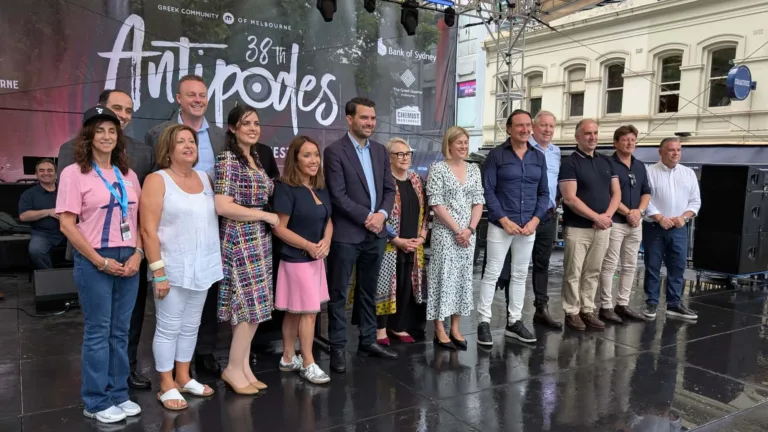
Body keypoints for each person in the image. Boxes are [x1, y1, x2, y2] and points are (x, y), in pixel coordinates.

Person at [58, 89, 155, 390]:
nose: (106, 136)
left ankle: (119, 392)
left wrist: (139, 253)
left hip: (130, 258)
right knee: (99, 331)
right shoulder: (75, 172)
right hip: (95, 257)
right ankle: (97, 398)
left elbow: (138, 218)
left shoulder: (129, 174)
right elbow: (67, 224)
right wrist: (100, 261)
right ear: (88, 136)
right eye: (99, 131)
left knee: (121, 331)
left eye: (112, 131)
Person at [140, 124, 223, 410]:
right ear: (168, 148)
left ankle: (184, 377)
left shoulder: (204, 178)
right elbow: (148, 230)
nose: (189, 145)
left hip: (203, 267)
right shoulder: (156, 180)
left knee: (191, 327)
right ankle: (166, 384)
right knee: (168, 328)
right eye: (181, 141)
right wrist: (158, 271)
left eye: (192, 141)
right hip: (172, 269)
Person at [324, 97, 398, 374]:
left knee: (368, 291)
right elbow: (338, 195)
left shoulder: (380, 151)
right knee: (339, 294)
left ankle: (368, 341)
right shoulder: (334, 151)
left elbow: (389, 190)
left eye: (373, 118)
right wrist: (368, 217)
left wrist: (382, 215)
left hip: (376, 234)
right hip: (347, 235)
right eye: (364, 118)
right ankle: (338, 349)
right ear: (349, 119)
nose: (369, 123)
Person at [214, 105, 279, 394]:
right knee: (245, 306)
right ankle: (232, 368)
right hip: (240, 238)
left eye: (256, 123)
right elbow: (223, 206)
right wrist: (263, 215)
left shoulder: (254, 158)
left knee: (256, 307)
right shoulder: (228, 159)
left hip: (260, 240)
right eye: (245, 123)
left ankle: (243, 366)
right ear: (232, 128)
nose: (253, 128)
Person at [478, 109, 549, 346]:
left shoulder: (538, 157)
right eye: (520, 125)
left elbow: (544, 193)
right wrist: (503, 219)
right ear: (508, 129)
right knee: (492, 273)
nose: (525, 129)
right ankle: (484, 322)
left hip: (528, 226)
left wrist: (535, 220)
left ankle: (514, 322)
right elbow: (487, 190)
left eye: (528, 125)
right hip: (501, 226)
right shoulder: (497, 155)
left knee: (520, 274)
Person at [272, 135, 333, 384]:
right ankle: (308, 362)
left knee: (297, 312)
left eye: (316, 155)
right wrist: (309, 246)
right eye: (306, 155)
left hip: (316, 260)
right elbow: (279, 228)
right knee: (308, 312)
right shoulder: (286, 187)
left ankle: (288, 357)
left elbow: (329, 220)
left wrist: (326, 242)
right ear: (295, 159)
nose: (313, 160)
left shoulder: (320, 187)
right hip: (296, 260)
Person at [558, 119, 620, 331]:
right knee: (573, 272)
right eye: (587, 133)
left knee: (593, 270)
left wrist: (607, 217)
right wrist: (596, 217)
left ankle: (587, 309)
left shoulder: (606, 161)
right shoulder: (570, 163)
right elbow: (570, 198)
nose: (592, 137)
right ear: (577, 137)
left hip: (602, 227)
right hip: (578, 228)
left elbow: (616, 193)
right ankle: (572, 311)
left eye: (595, 133)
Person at [426, 126, 484, 350]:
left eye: (466, 142)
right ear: (448, 144)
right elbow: (436, 204)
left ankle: (456, 327)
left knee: (462, 280)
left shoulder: (474, 169)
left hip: (468, 235)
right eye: (459, 142)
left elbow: (478, 202)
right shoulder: (438, 168)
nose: (463, 146)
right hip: (445, 235)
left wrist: (469, 229)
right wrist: (457, 230)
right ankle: (439, 328)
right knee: (443, 279)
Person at [373, 138, 428, 346]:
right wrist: (396, 239)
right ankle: (380, 330)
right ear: (389, 158)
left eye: (407, 153)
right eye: (399, 154)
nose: (405, 158)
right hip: (390, 245)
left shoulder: (415, 179)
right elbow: (378, 214)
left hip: (413, 245)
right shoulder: (384, 182)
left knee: (406, 287)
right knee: (385, 288)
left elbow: (425, 212)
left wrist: (421, 238)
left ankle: (399, 326)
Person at [642, 138, 700, 320]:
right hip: (654, 226)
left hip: (678, 228)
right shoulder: (649, 172)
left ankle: (674, 304)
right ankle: (651, 303)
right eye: (671, 150)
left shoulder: (688, 173)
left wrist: (684, 217)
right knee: (652, 265)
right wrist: (660, 218)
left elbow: (695, 201)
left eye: (678, 150)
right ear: (661, 152)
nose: (675, 153)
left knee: (677, 266)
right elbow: (645, 199)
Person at [597, 125, 650, 323]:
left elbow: (646, 191)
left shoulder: (640, 165)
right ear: (616, 142)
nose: (630, 143)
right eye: (625, 140)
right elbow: (609, 194)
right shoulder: (607, 164)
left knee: (630, 265)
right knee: (610, 265)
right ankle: (606, 306)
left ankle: (623, 304)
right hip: (616, 222)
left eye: (633, 140)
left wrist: (639, 212)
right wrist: (628, 212)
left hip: (635, 223)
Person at [528, 110, 563, 329]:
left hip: (548, 216)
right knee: (516, 266)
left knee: (543, 264)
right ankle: (512, 316)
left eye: (551, 126)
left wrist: (557, 201)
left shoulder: (556, 152)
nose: (548, 130)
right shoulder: (523, 148)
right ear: (534, 126)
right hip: (525, 217)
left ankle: (541, 309)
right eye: (544, 125)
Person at [18, 159, 66, 269]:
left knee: (88, 248)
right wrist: (49, 212)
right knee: (36, 251)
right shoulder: (29, 194)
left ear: (56, 173)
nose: (46, 173)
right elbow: (23, 216)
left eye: (50, 170)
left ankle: (77, 278)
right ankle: (49, 278)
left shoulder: (66, 190)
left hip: (69, 231)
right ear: (36, 174)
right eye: (42, 170)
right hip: (43, 234)